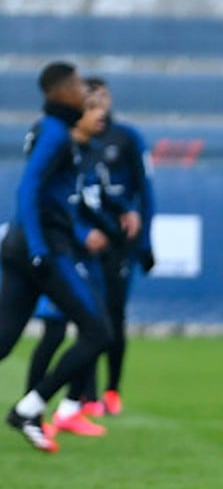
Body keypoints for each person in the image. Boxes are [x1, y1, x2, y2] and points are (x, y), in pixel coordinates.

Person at [0, 61, 116, 452]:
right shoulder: (53, 134)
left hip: (23, 245)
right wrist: (37, 248)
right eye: (79, 84)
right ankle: (30, 408)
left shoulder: (55, 129)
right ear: (60, 91)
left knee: (3, 340)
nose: (84, 91)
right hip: (43, 247)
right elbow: (27, 190)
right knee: (98, 331)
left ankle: (32, 410)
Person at [27, 77, 154, 423]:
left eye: (102, 104)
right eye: (92, 105)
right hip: (56, 250)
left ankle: (78, 403)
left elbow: (109, 194)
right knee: (57, 329)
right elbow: (36, 195)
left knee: (101, 326)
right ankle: (37, 408)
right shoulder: (58, 142)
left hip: (92, 251)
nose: (100, 112)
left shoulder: (108, 145)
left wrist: (130, 219)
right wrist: (73, 235)